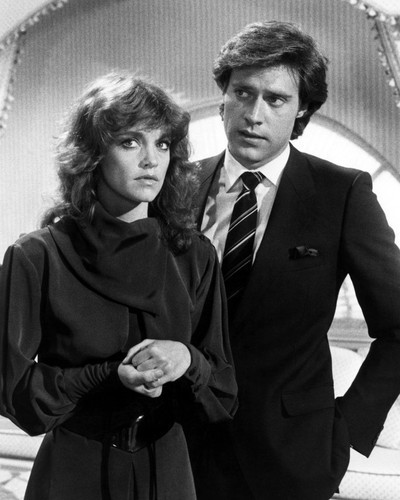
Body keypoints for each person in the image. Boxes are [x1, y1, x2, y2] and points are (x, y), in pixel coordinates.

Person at [0, 72, 238, 500]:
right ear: (91, 154)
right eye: (130, 142)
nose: (151, 160)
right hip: (75, 471)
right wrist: (107, 376)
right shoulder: (36, 256)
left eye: (162, 144)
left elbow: (223, 387)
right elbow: (12, 388)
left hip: (168, 471)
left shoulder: (194, 255)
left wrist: (186, 358)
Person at [192, 20, 400, 500]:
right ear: (224, 96)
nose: (254, 115)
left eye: (276, 99)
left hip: (291, 457)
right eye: (243, 93)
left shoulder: (342, 193)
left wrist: (347, 428)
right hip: (179, 445)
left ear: (302, 108)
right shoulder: (177, 186)